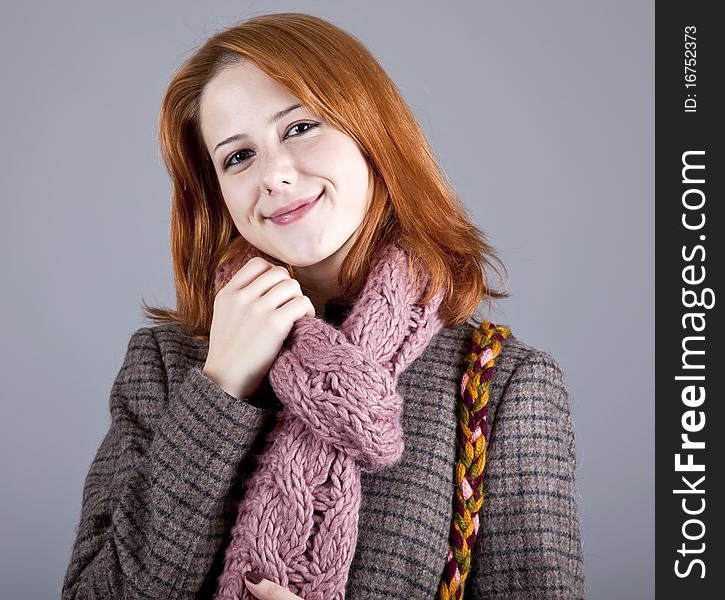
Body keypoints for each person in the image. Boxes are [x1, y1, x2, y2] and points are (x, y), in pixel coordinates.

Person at [62, 12, 584, 600]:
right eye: (238, 157)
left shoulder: (499, 387)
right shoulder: (165, 366)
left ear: (371, 133)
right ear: (218, 193)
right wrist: (221, 388)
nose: (275, 176)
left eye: (300, 128)